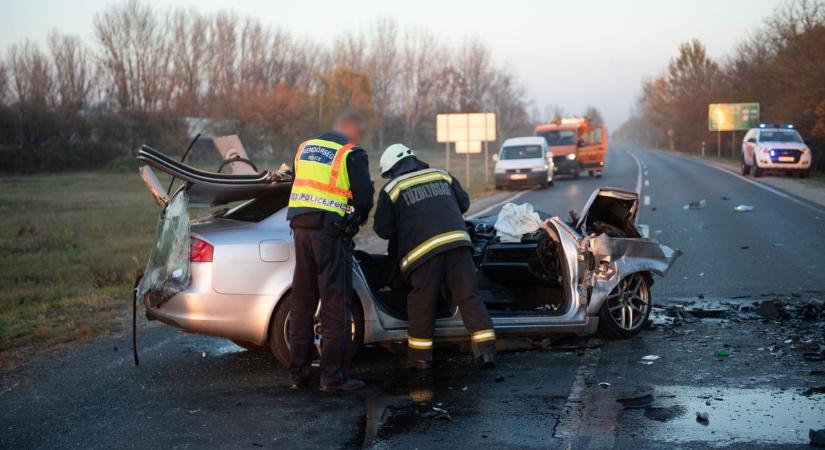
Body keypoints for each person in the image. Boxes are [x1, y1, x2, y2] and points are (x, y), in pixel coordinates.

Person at [373, 143, 496, 370]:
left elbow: (383, 230)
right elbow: (464, 204)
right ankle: (486, 352)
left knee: (421, 303)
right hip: (458, 245)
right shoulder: (442, 175)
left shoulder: (392, 188)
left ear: (391, 169)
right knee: (469, 296)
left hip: (423, 253)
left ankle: (420, 359)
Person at [286, 109, 374, 392]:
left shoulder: (304, 148)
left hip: (300, 229)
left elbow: (299, 184)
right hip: (330, 234)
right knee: (335, 305)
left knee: (302, 302)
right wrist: (353, 224)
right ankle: (332, 378)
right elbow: (364, 199)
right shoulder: (351, 153)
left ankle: (297, 375)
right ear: (352, 130)